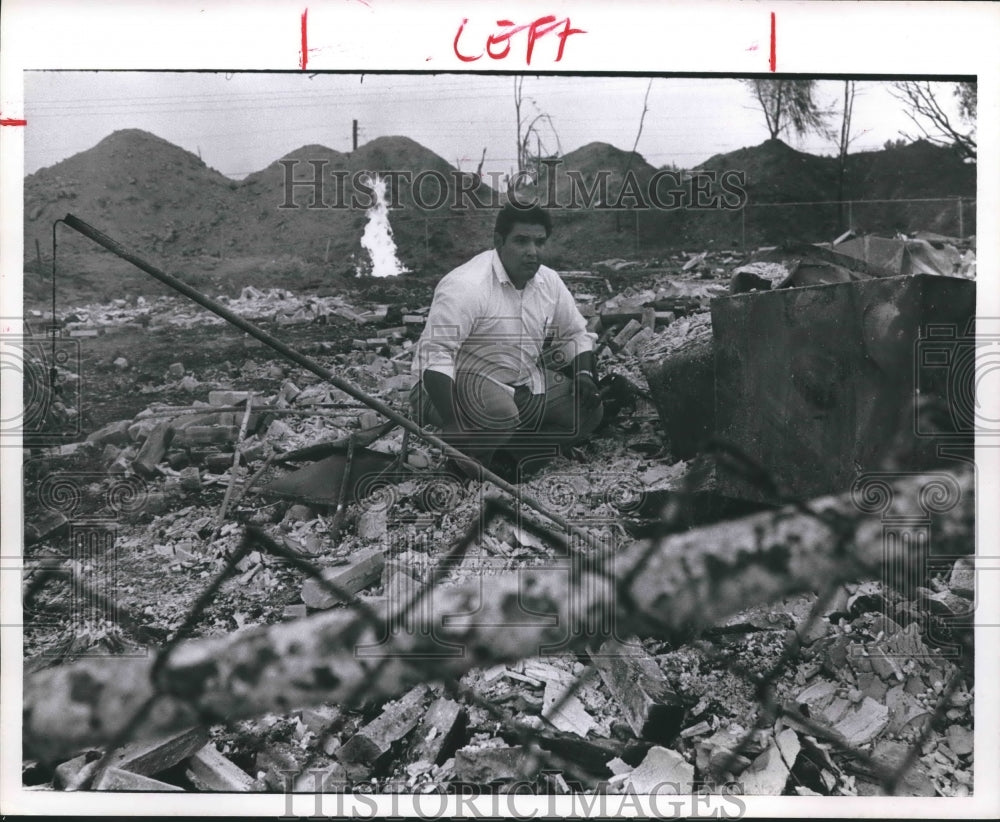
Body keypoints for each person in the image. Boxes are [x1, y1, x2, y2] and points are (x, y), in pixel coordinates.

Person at [410, 201, 603, 481]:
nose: (532, 252)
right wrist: (452, 421)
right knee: (499, 413)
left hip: (518, 385)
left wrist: (584, 373)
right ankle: (462, 469)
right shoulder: (467, 286)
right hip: (444, 389)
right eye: (521, 241)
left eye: (539, 242)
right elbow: (435, 354)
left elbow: (576, 333)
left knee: (589, 410)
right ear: (498, 242)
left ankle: (510, 459)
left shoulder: (548, 282)